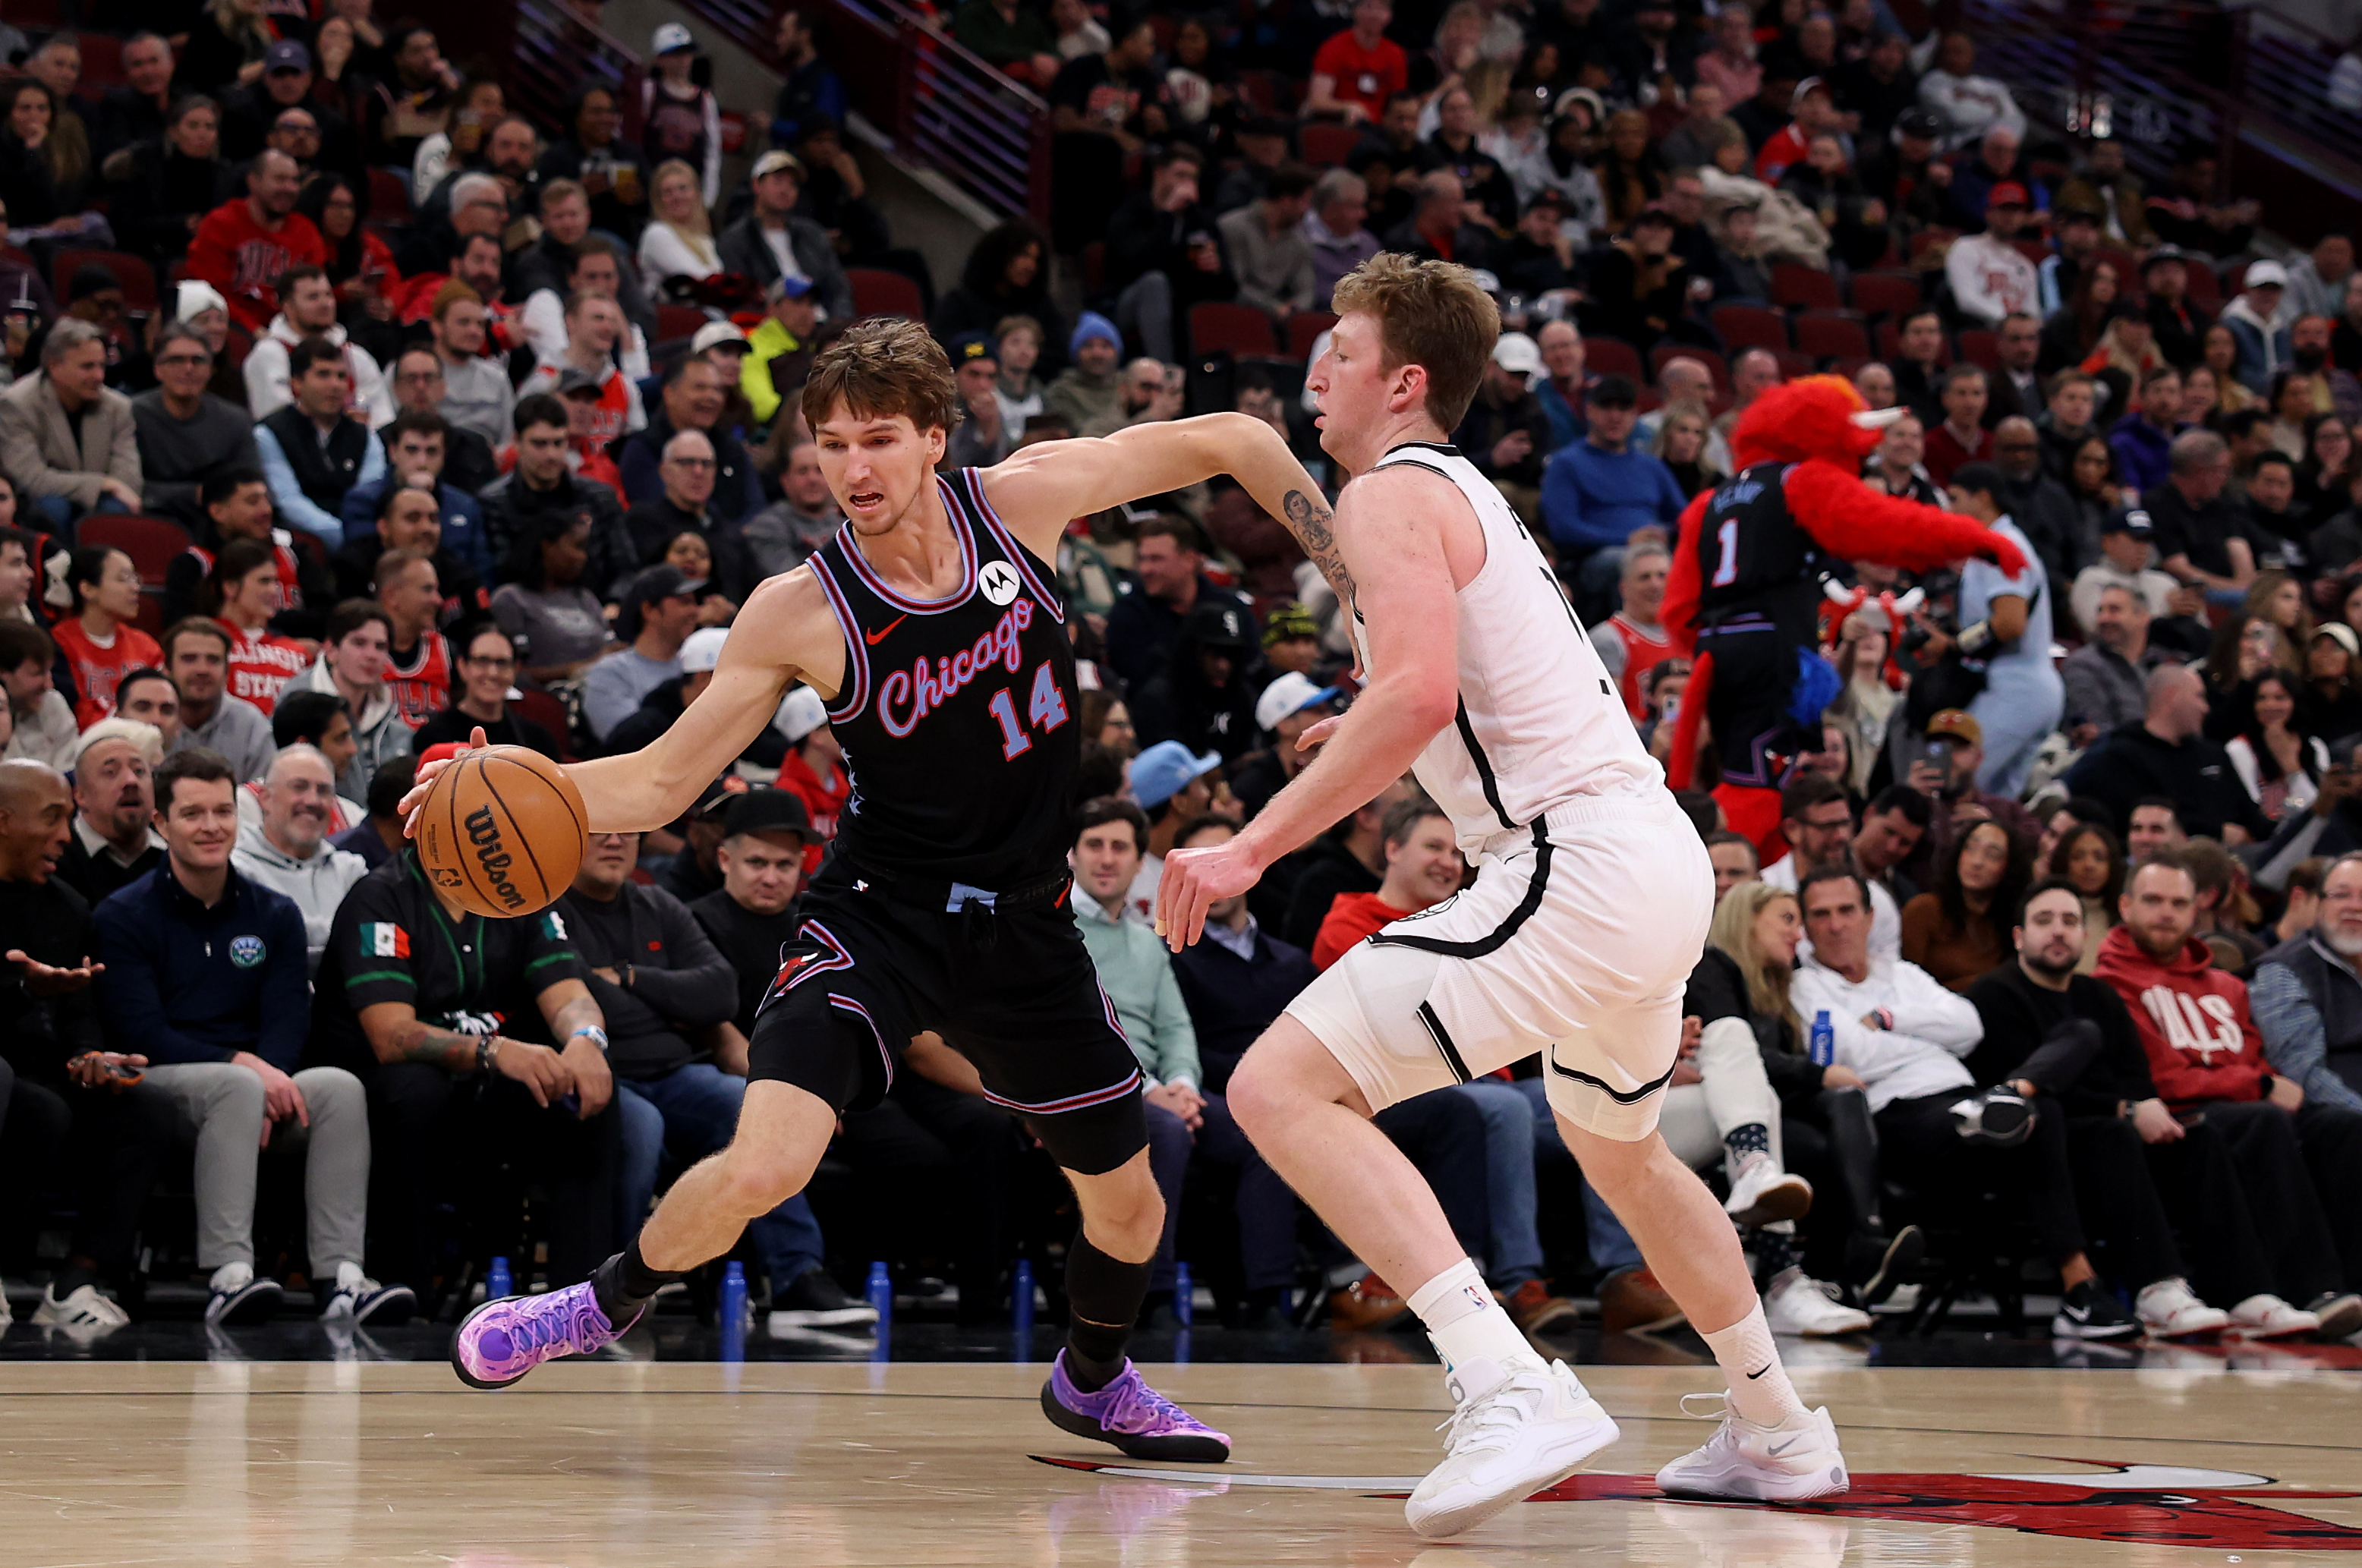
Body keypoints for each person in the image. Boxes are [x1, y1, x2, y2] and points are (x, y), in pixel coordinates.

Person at [415, 318, 1360, 1464]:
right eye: (829, 444)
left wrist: (1358, 585)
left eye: (877, 439)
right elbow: (665, 782)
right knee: (768, 1158)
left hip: (1025, 928)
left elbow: (1238, 438)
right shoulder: (798, 608)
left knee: (1131, 1202)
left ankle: (1096, 1382)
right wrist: (503, 786)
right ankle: (599, 1302)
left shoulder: (1023, 501)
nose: (850, 469)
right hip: (880, 917)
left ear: (934, 439)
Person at [1148, 256, 1842, 1535]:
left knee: (1277, 1087)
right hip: (1647, 857)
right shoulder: (1459, 490)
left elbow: (1415, 692)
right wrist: (1355, 728)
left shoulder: (1385, 492)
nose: (1316, 372)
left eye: (1339, 351)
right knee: (1618, 1147)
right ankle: (1778, 1425)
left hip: (1572, 859)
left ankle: (1503, 1377)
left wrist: (1244, 847)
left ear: (1404, 382)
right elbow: (1437, 689)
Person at [90, 748, 398, 1326]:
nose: (211, 827)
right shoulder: (123, 915)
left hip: (249, 1085)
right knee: (236, 1086)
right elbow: (142, 1032)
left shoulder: (273, 913)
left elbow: (287, 1020)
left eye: (223, 812)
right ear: (161, 824)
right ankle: (229, 1274)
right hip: (161, 1082)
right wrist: (248, 1071)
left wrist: (267, 1075)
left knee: (338, 1088)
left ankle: (342, 1278)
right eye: (192, 814)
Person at [2096, 854, 2362, 1330]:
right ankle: (2311, 1289)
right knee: (2263, 1120)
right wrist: (2254, 1084)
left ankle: (2352, 1286)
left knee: (2341, 1127)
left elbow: (2254, 1056)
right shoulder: (2109, 986)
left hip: (2241, 1106)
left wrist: (2256, 1080)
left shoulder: (2225, 985)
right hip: (2185, 1118)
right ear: (2125, 906)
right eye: (2153, 901)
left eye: (2179, 903)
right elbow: (2161, 1078)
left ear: (2194, 911)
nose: (2166, 913)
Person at [2064, 664, 2272, 846]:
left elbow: (2251, 816)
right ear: (2172, 696)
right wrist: (2216, 832)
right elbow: (2145, 823)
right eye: (2199, 696)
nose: (2206, 708)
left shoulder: (2213, 754)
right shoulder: (2122, 757)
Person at [479, 395, 637, 603]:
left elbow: (626, 568)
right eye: (540, 444)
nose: (551, 455)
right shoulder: (494, 503)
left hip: (598, 610)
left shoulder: (600, 497)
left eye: (558, 443)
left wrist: (614, 605)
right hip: (525, 613)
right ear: (516, 442)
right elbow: (502, 575)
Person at [225, 741, 367, 973]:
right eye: (299, 787)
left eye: (323, 791)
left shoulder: (352, 873)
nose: (313, 801)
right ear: (265, 798)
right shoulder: (235, 871)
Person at [0, 320, 140, 531]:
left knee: (116, 509)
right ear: (54, 366)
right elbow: (30, 479)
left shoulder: (118, 407)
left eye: (102, 365)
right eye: (87, 367)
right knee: (53, 507)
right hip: (42, 501)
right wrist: (102, 484)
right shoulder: (18, 404)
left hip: (99, 503)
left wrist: (109, 487)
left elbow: (128, 477)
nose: (99, 376)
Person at [254, 336, 384, 552]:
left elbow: (368, 496)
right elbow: (288, 501)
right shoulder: (269, 433)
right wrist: (343, 535)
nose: (335, 385)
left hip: (360, 538)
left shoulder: (365, 436)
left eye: (341, 377)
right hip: (298, 541)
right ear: (297, 383)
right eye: (323, 375)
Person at [132, 323, 258, 533]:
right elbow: (127, 486)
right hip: (149, 518)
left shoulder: (236, 420)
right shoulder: (131, 415)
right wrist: (192, 494)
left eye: (198, 361)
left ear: (211, 370)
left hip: (218, 522)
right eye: (176, 360)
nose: (188, 369)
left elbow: (251, 482)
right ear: (157, 369)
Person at [1760, 774, 1901, 958]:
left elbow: (1886, 975)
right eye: (1828, 827)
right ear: (1792, 830)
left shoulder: (1876, 900)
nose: (1841, 836)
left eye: (1845, 824)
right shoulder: (1763, 893)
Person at [282, 602, 407, 802]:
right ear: (331, 651)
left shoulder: (396, 726)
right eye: (359, 643)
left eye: (380, 647)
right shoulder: (294, 706)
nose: (371, 655)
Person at [244, 265, 391, 429]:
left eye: (328, 295)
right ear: (288, 307)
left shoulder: (356, 356)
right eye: (313, 297)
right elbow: (276, 419)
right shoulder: (269, 354)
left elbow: (382, 420)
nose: (325, 304)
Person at [57, 720, 166, 909]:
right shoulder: (56, 859)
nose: (131, 781)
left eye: (139, 771)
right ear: (80, 796)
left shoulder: (175, 853)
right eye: (111, 772)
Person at [411, 625, 562, 760]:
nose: (493, 673)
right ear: (462, 666)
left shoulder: (537, 740)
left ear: (515, 670)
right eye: (482, 661)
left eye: (502, 663)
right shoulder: (432, 737)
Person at [54, 547, 164, 729]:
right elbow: (71, 712)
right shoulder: (60, 643)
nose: (136, 588)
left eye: (135, 579)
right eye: (123, 579)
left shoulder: (146, 646)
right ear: (88, 589)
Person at [200, 540, 310, 717]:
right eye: (264, 581)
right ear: (230, 587)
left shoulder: (298, 651)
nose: (274, 590)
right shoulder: (201, 642)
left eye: (275, 582)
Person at [159, 618, 273, 784]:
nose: (202, 669)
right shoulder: (146, 719)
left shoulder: (251, 726)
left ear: (227, 671)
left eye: (213, 660)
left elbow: (263, 798)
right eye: (189, 659)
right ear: (167, 669)